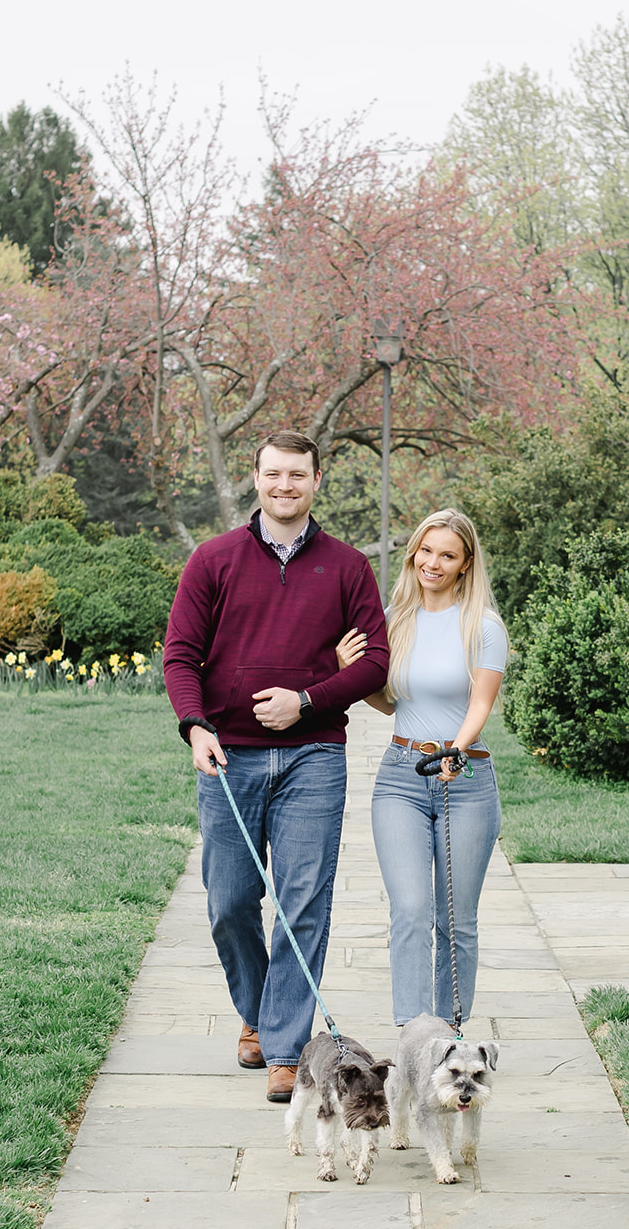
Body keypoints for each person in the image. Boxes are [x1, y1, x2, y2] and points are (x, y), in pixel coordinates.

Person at [163, 430, 391, 1102]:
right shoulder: (213, 560)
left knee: (302, 904)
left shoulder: (347, 567)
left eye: (297, 474)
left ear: (317, 481)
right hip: (227, 755)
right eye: (273, 474)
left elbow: (376, 662)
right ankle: (258, 1012)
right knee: (230, 902)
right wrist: (194, 725)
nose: (284, 485)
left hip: (314, 756)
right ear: (254, 479)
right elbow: (179, 654)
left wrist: (308, 701)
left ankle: (285, 1047)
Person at [337, 509, 506, 1027]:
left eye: (447, 555)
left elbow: (481, 703)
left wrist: (458, 746)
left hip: (466, 778)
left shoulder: (483, 626)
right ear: (413, 552)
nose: (433, 562)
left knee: (456, 921)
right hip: (401, 777)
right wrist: (352, 674)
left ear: (465, 564)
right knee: (410, 911)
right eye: (426, 550)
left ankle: (450, 1033)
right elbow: (390, 703)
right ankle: (415, 1036)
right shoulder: (394, 620)